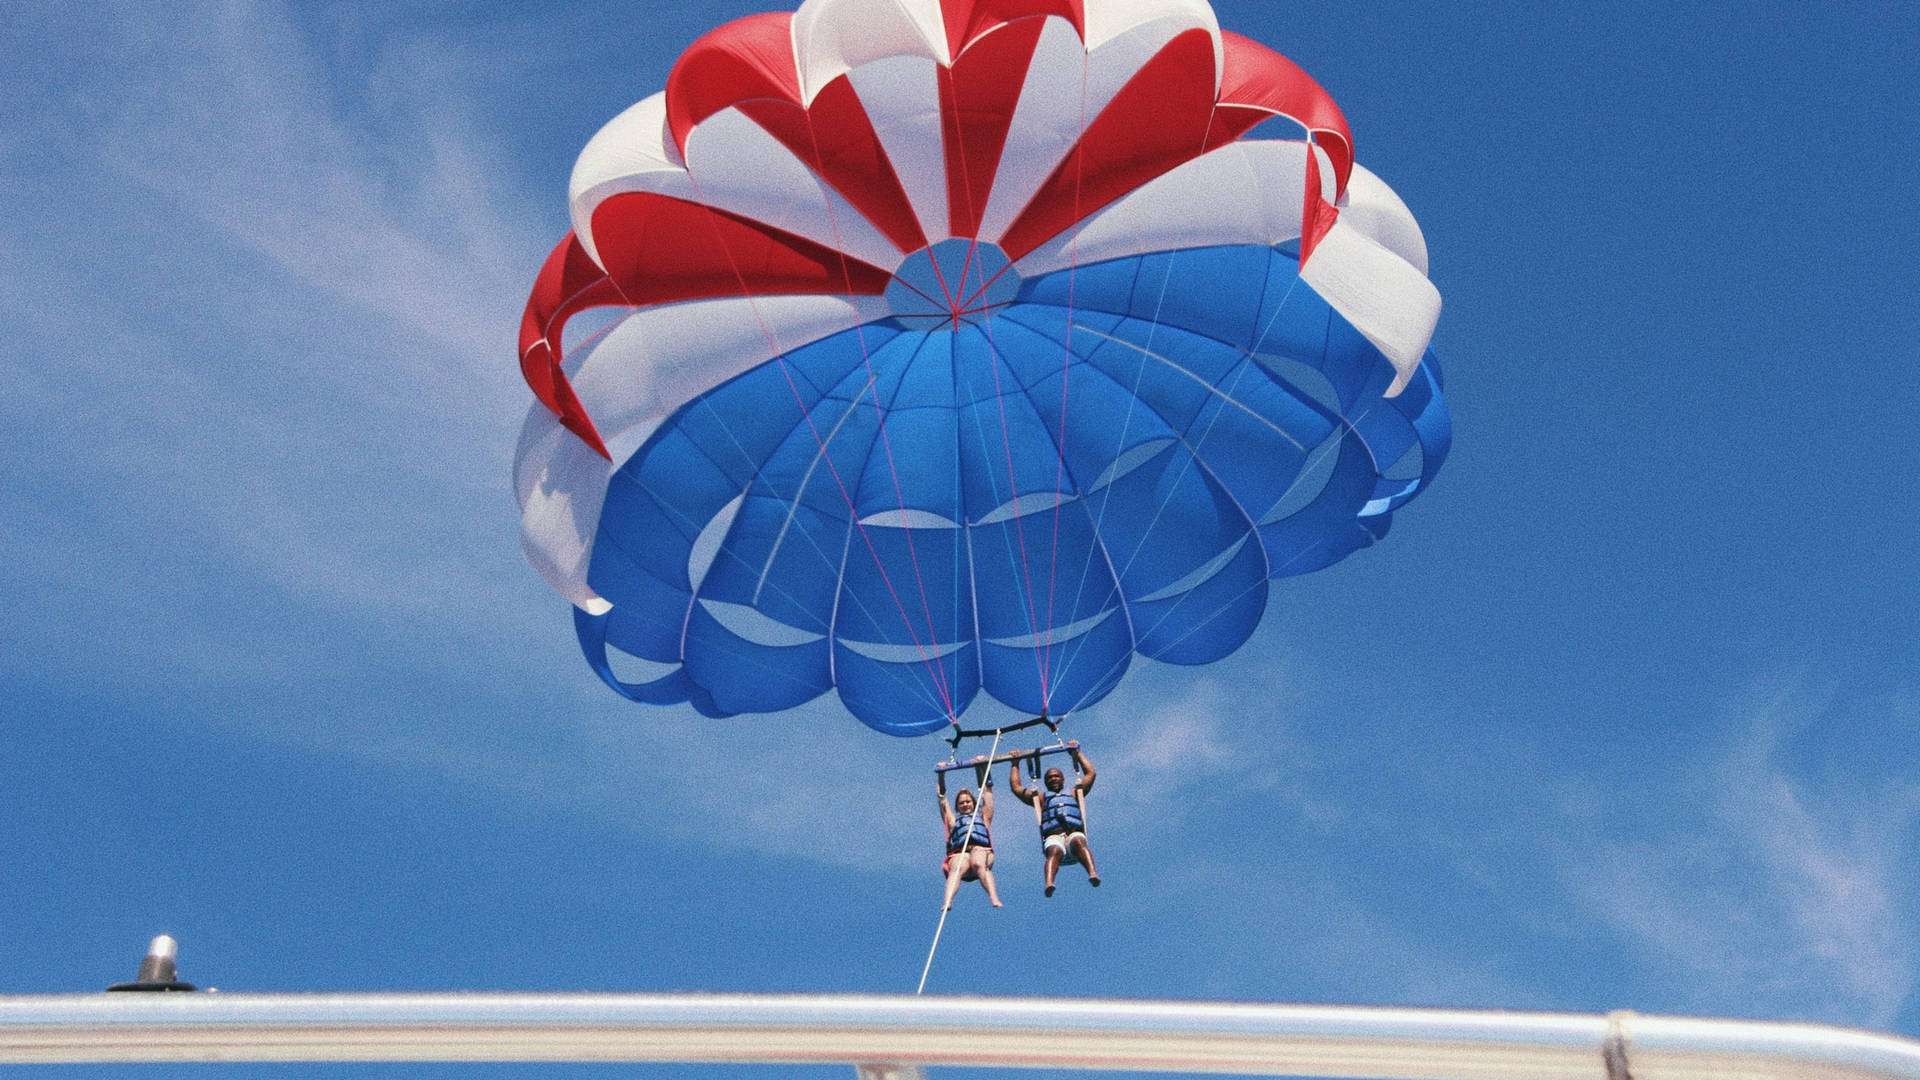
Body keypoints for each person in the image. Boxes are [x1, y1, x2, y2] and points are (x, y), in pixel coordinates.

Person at [1008, 743, 1100, 896]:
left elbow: (1091, 773)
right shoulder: (1041, 798)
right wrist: (1015, 764)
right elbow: (1016, 788)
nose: (1053, 779)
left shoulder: (1074, 792)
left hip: (1074, 833)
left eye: (1056, 776)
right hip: (1053, 836)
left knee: (1078, 842)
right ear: (1045, 782)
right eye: (1049, 777)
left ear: (1063, 779)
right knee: (1054, 851)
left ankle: (1092, 873)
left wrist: (1077, 754)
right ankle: (1049, 883)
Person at [937, 768, 1002, 910]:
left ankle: (994, 897)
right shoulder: (954, 822)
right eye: (961, 803)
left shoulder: (983, 818)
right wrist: (941, 776)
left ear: (973, 803)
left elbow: (988, 794)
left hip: (980, 850)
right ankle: (948, 901)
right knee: (958, 867)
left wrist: (983, 767)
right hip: (961, 853)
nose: (965, 804)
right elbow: (942, 799)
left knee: (978, 863)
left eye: (968, 801)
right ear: (957, 807)